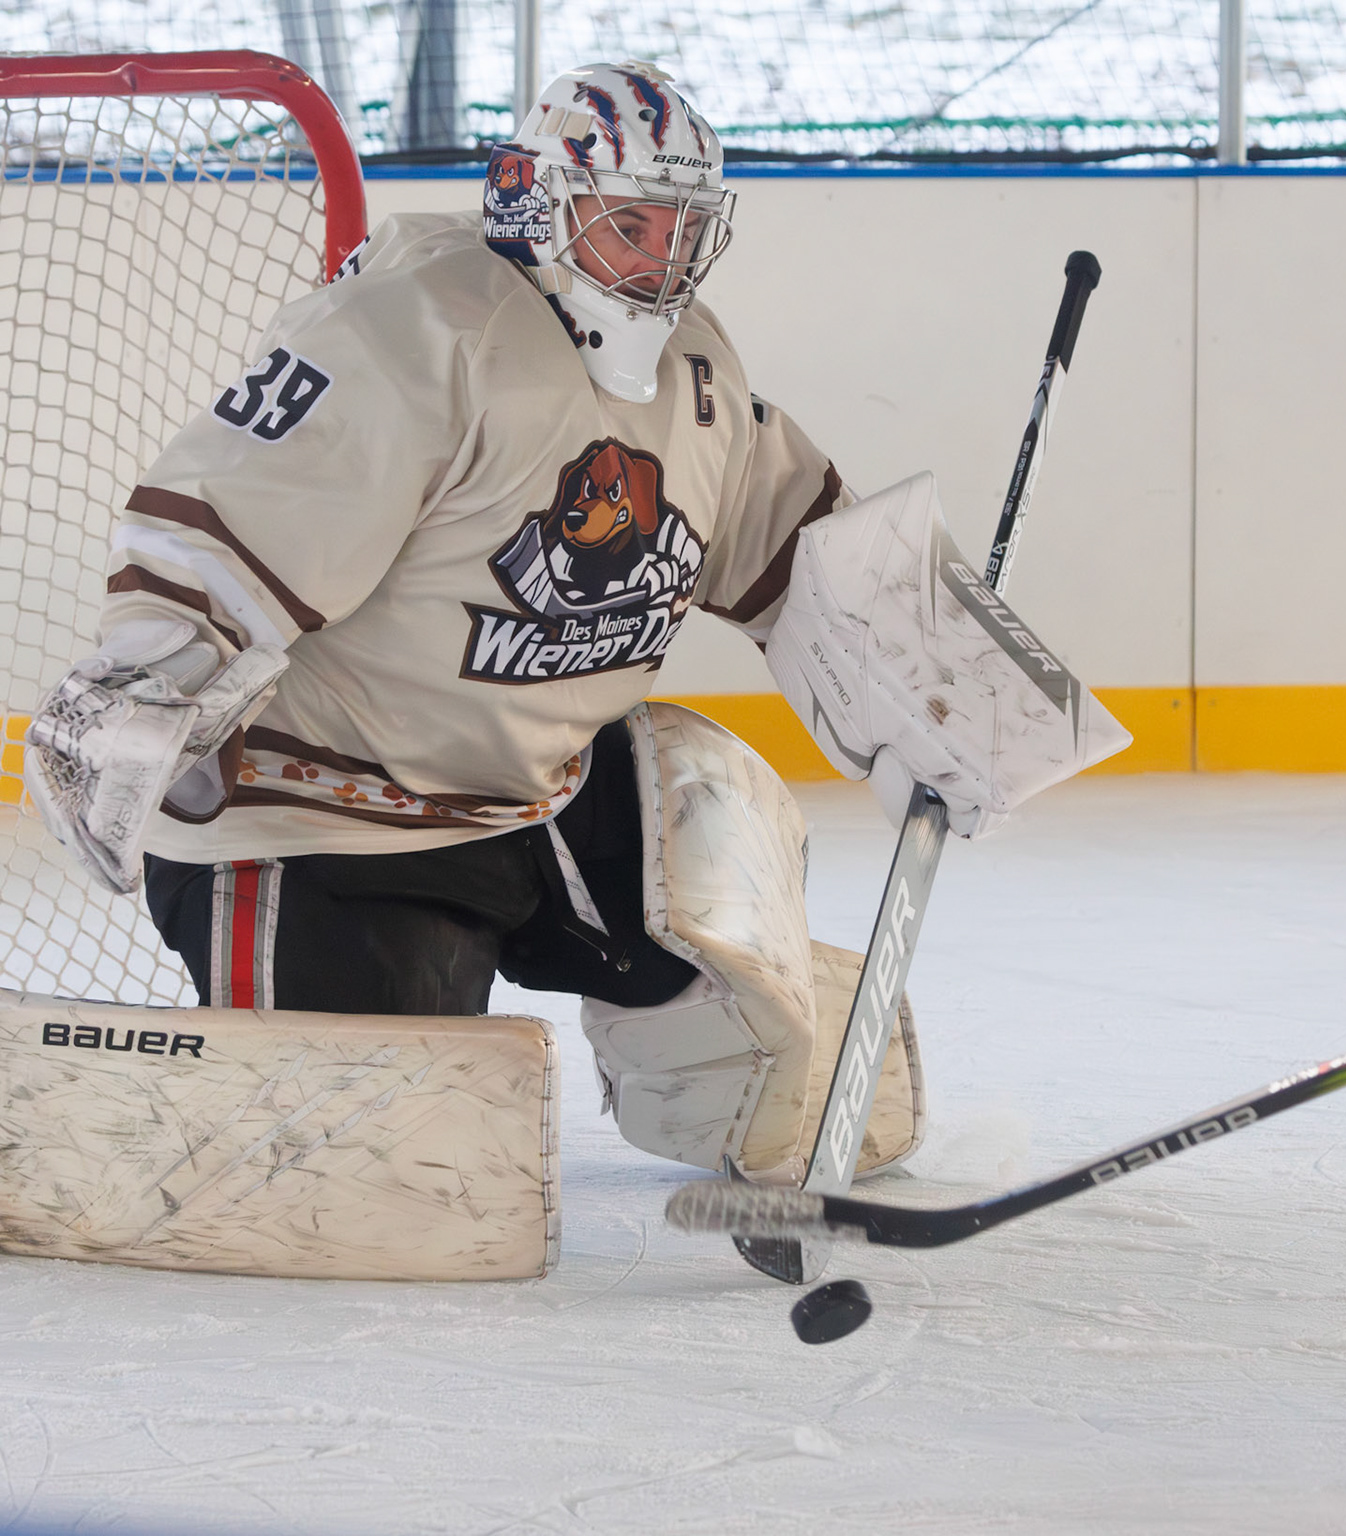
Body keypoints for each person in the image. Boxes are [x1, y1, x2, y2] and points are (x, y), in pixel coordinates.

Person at [21, 61, 1123, 1189]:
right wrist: (144, 676)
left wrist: (942, 677)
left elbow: (805, 550)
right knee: (365, 1167)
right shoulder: (413, 330)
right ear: (533, 201)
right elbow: (245, 508)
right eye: (630, 225)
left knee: (747, 995)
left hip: (532, 806)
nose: (661, 262)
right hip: (323, 825)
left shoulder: (695, 370)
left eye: (683, 230)